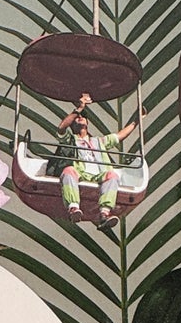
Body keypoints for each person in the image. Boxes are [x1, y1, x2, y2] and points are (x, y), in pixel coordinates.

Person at [56, 93, 139, 227]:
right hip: (81, 174)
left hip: (98, 175)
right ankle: (73, 207)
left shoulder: (98, 141)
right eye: (77, 118)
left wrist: (136, 121)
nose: (81, 118)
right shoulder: (70, 140)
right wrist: (79, 109)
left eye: (83, 117)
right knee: (68, 170)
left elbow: (119, 136)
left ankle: (104, 212)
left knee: (112, 175)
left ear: (88, 123)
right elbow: (61, 129)